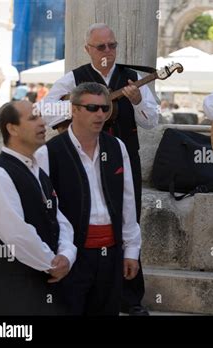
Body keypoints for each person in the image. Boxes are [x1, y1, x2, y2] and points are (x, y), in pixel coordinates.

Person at [42, 23, 158, 315]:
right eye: (101, 47)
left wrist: (138, 99)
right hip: (78, 154)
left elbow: (151, 122)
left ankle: (129, 296)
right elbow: (43, 111)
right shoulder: (74, 78)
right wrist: (79, 108)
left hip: (122, 155)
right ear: (88, 49)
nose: (108, 52)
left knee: (127, 215)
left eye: (112, 46)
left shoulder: (132, 78)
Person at [35, 82, 141, 315]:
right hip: (72, 255)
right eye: (92, 108)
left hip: (111, 253)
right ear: (73, 109)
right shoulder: (48, 153)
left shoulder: (117, 147)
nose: (100, 114)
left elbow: (128, 200)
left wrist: (132, 249)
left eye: (105, 108)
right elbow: (45, 211)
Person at [0, 100, 76, 315]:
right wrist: (52, 263)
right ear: (11, 128)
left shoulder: (39, 173)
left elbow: (59, 220)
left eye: (41, 117)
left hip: (42, 288)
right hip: (8, 294)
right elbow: (16, 235)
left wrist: (67, 254)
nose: (42, 123)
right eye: (33, 118)